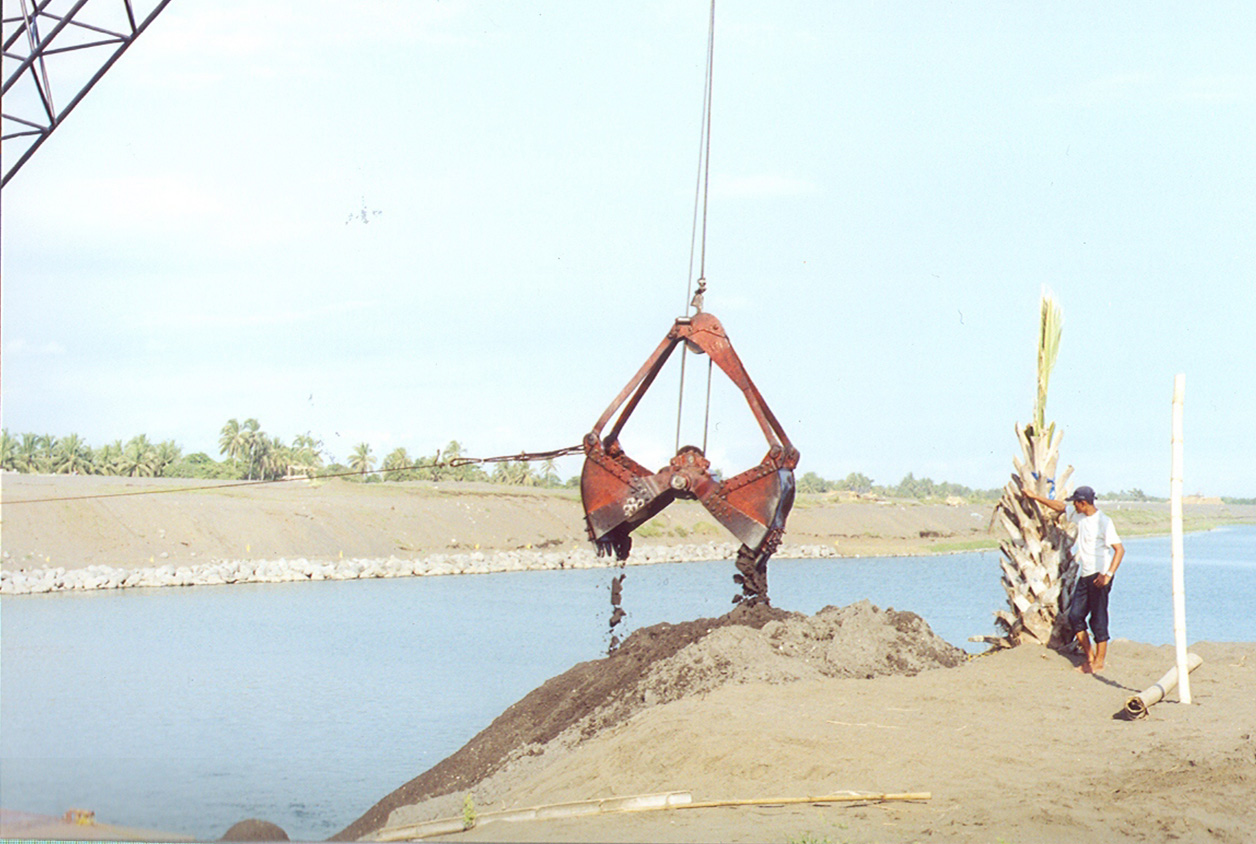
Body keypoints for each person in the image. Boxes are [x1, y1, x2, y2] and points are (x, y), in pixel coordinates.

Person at [1021, 484, 1125, 672]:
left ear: (1083, 503)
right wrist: (1035, 496)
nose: (1073, 506)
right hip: (1085, 575)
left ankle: (1099, 662)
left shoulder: (1104, 521)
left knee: (1098, 619)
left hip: (1099, 576)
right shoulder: (1079, 515)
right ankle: (1090, 658)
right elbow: (1060, 507)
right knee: (1075, 616)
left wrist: (1108, 575)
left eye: (1075, 503)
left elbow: (1119, 550)